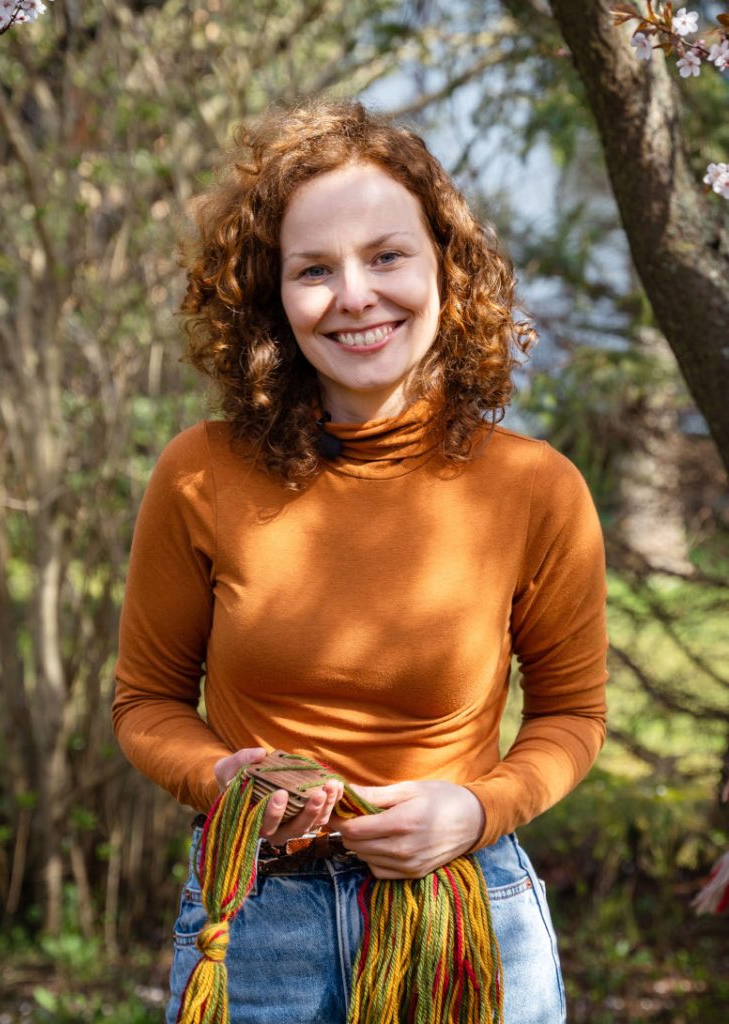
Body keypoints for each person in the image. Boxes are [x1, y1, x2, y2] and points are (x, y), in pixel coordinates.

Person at [112, 99, 608, 1024]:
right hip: (256, 924)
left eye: (386, 256)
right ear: (271, 297)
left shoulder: (537, 488)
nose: (353, 295)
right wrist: (222, 780)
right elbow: (144, 705)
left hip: (464, 912)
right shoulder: (199, 473)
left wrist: (476, 810)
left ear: (446, 269)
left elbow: (573, 714)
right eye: (313, 270)